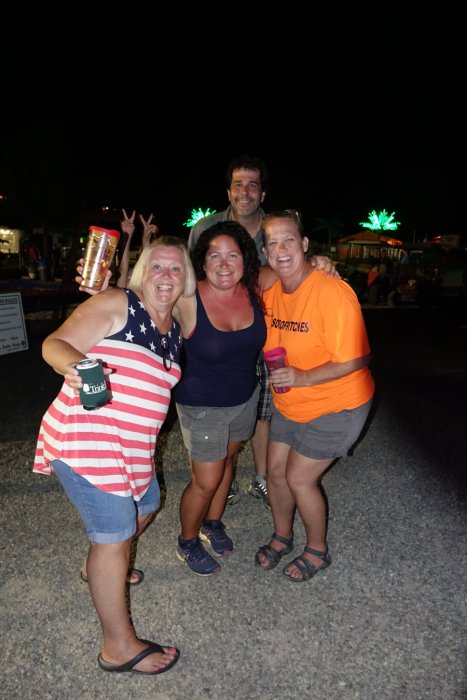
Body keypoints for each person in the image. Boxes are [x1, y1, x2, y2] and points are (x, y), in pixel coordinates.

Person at [33, 237, 196, 674]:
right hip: (89, 443)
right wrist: (82, 367)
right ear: (143, 272)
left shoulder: (174, 323)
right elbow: (56, 344)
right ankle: (117, 648)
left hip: (132, 447)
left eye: (175, 269)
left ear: (186, 280)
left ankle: (97, 568)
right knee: (114, 536)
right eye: (157, 267)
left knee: (148, 504)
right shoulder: (117, 304)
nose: (166, 275)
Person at [255, 210, 375, 583]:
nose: (281, 249)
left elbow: (358, 357)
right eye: (272, 243)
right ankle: (282, 535)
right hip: (293, 401)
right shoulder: (272, 293)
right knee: (274, 472)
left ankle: (317, 550)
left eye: (288, 240)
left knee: (298, 478)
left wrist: (304, 375)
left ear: (305, 245)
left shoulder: (331, 291)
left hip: (338, 402)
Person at [187, 154, 271, 506]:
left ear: (262, 194)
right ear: (228, 190)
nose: (245, 191)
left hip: (260, 328)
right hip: (218, 329)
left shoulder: (275, 230)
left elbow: (295, 268)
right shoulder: (204, 228)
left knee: (261, 406)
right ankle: (223, 476)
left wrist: (320, 263)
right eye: (239, 184)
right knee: (222, 400)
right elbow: (185, 275)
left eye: (253, 185)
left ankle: (262, 477)